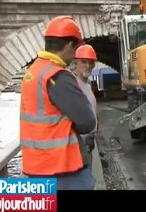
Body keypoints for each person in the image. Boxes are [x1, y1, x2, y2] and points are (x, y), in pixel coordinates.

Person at [20, 16, 96, 190]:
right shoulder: (57, 76)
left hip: (36, 167)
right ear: (69, 45)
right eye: (76, 47)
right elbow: (87, 122)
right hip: (63, 169)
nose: (76, 53)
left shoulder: (33, 72)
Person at [69, 44, 109, 168]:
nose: (88, 66)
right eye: (84, 62)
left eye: (91, 63)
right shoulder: (72, 83)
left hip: (89, 138)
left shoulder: (86, 83)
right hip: (79, 141)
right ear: (75, 63)